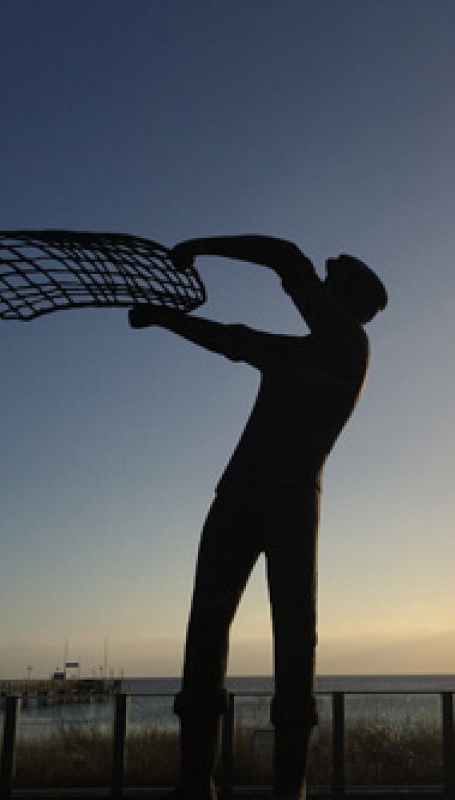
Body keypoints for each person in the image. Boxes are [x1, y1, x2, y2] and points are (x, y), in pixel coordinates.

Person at [129, 235, 387, 800]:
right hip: (242, 497)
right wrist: (166, 317)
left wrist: (194, 252)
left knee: (291, 636)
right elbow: (238, 336)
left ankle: (283, 787)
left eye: (324, 290)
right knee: (210, 627)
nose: (310, 294)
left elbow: (284, 262)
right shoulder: (307, 353)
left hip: (286, 503)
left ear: (346, 303)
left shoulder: (347, 346)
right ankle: (197, 781)